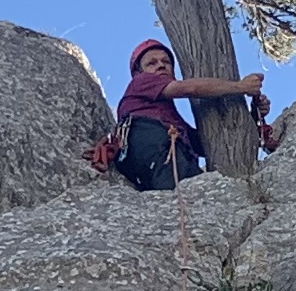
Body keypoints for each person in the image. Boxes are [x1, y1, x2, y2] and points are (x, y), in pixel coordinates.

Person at [101, 38, 265, 190]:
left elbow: (205, 143)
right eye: (152, 63)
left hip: (161, 159)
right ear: (138, 72)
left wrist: (253, 117)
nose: (161, 65)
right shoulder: (141, 82)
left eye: (166, 62)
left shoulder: (171, 120)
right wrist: (240, 87)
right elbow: (191, 88)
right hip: (156, 151)